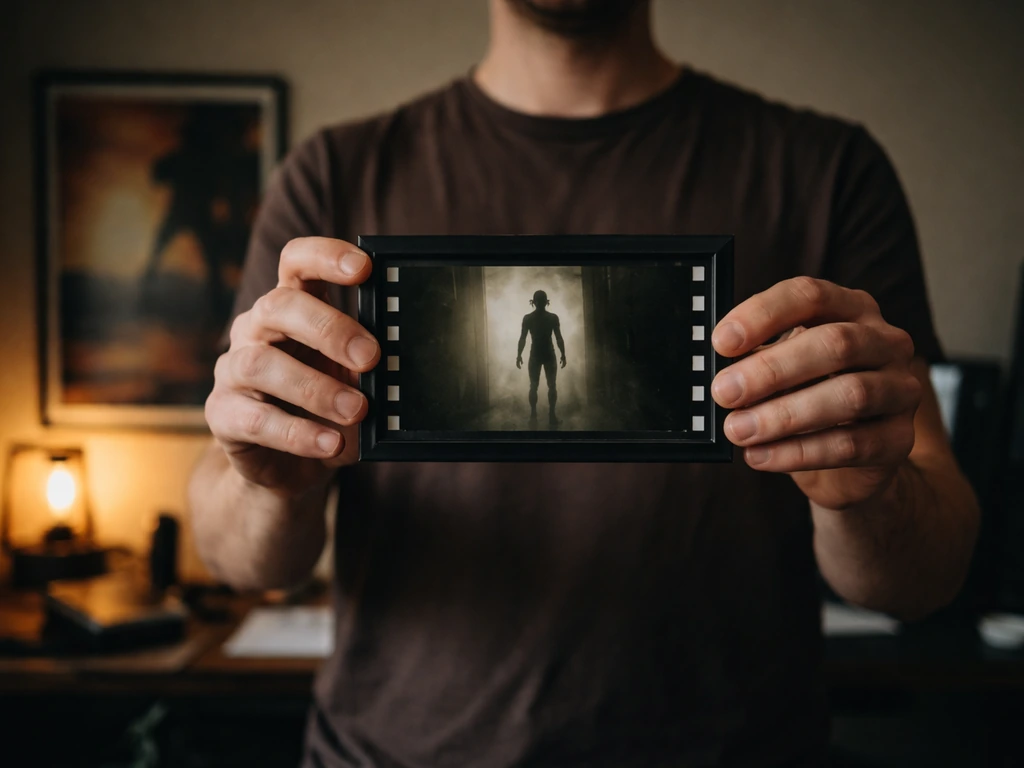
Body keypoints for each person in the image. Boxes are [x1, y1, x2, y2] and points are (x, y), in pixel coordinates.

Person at [188, 1, 980, 765]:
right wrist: (264, 483)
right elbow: (244, 562)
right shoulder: (332, 173)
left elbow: (927, 576)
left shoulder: (828, 170)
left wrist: (873, 492)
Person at [517, 289, 567, 425]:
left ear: (533, 302)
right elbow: (559, 338)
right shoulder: (552, 318)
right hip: (548, 353)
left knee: (534, 386)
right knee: (551, 386)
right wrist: (563, 353)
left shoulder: (528, 318)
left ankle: (534, 417)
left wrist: (519, 355)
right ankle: (551, 416)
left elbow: (523, 338)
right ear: (546, 302)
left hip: (536, 354)